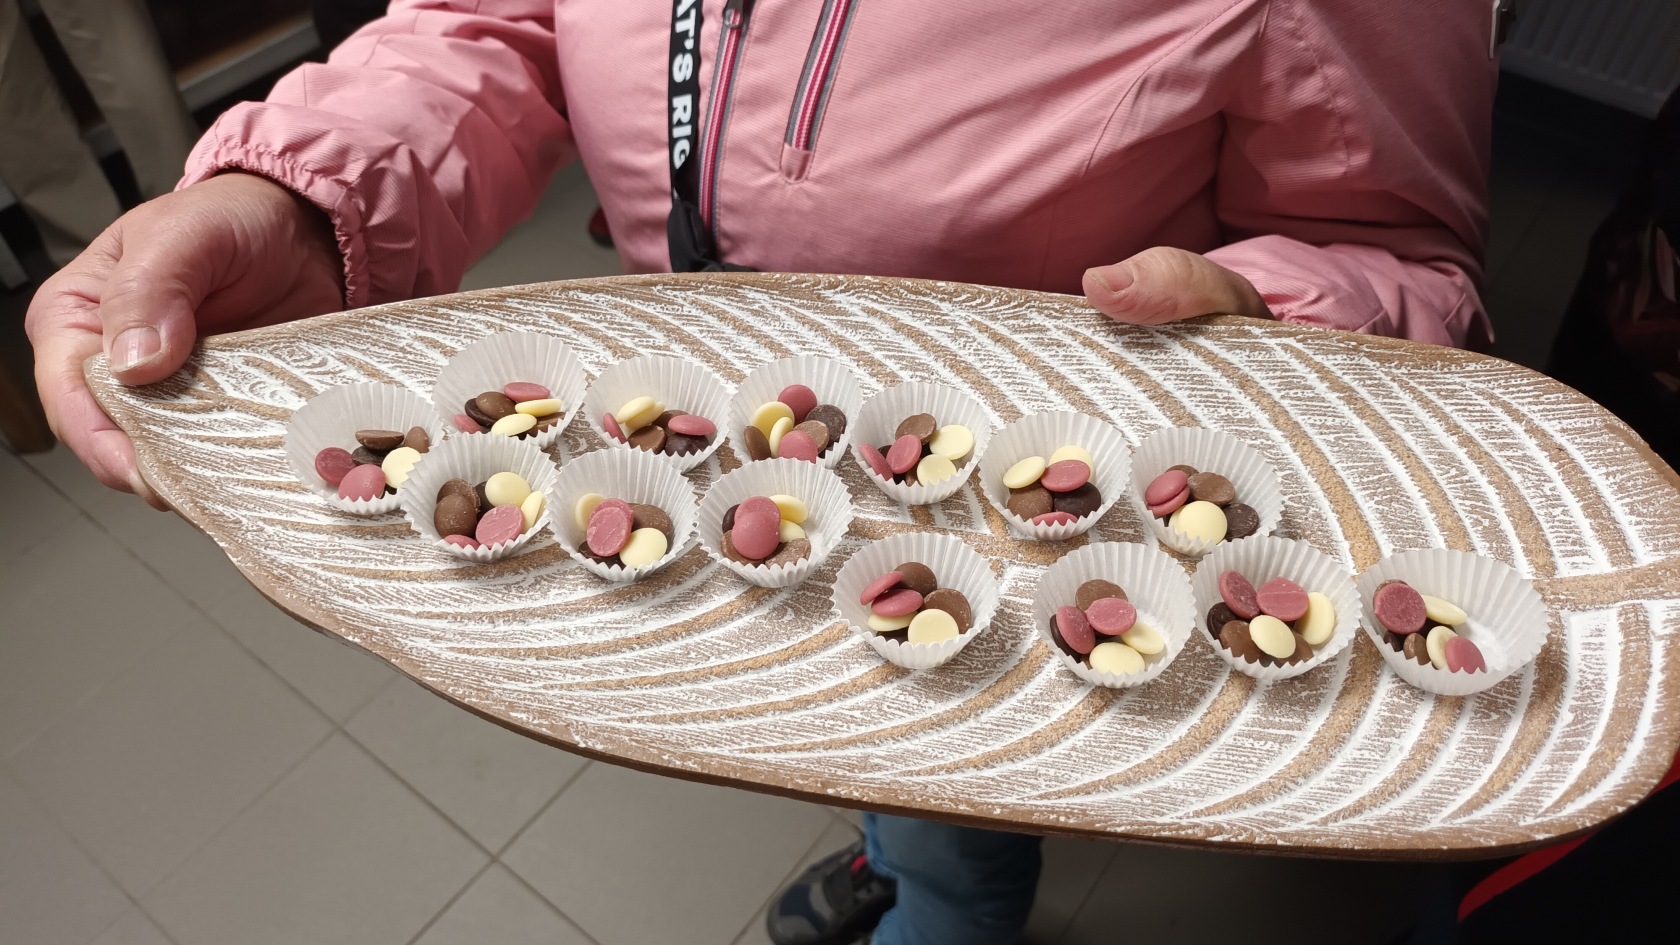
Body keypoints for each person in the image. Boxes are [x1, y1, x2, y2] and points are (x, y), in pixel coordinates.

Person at [25, 2, 1499, 942]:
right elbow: (500, 22)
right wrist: (300, 191)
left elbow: (1405, 258)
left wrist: (1271, 335)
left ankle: (947, 904)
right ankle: (894, 851)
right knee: (839, 703)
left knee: (951, 777)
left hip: (1021, 528)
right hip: (749, 471)